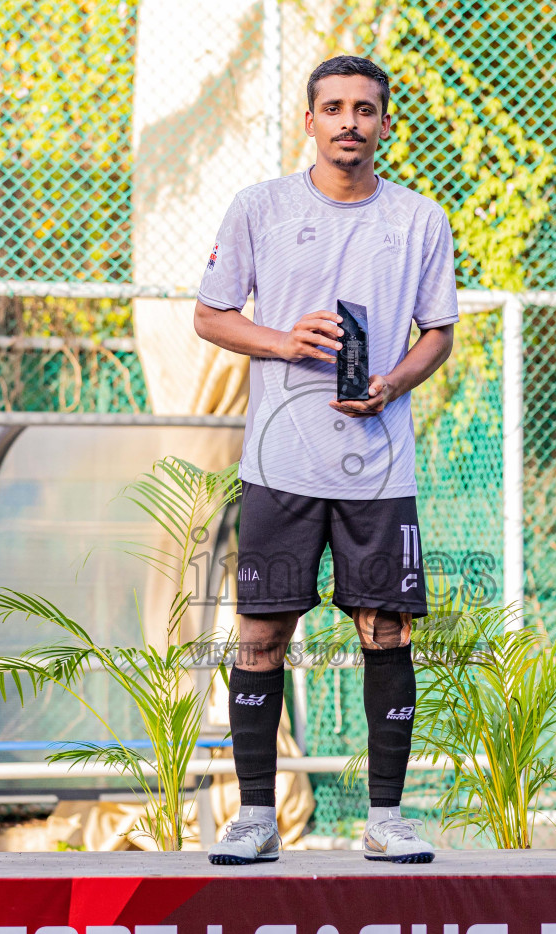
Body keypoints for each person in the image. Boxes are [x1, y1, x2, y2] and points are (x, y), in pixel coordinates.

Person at [192, 54, 458, 865]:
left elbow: (438, 334)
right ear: (308, 121)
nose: (350, 121)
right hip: (280, 464)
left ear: (385, 123)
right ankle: (255, 818)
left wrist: (392, 383)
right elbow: (209, 315)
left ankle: (386, 818)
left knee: (386, 628)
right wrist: (281, 340)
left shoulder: (420, 219)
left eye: (366, 109)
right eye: (334, 107)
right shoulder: (259, 209)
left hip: (378, 468)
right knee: (260, 632)